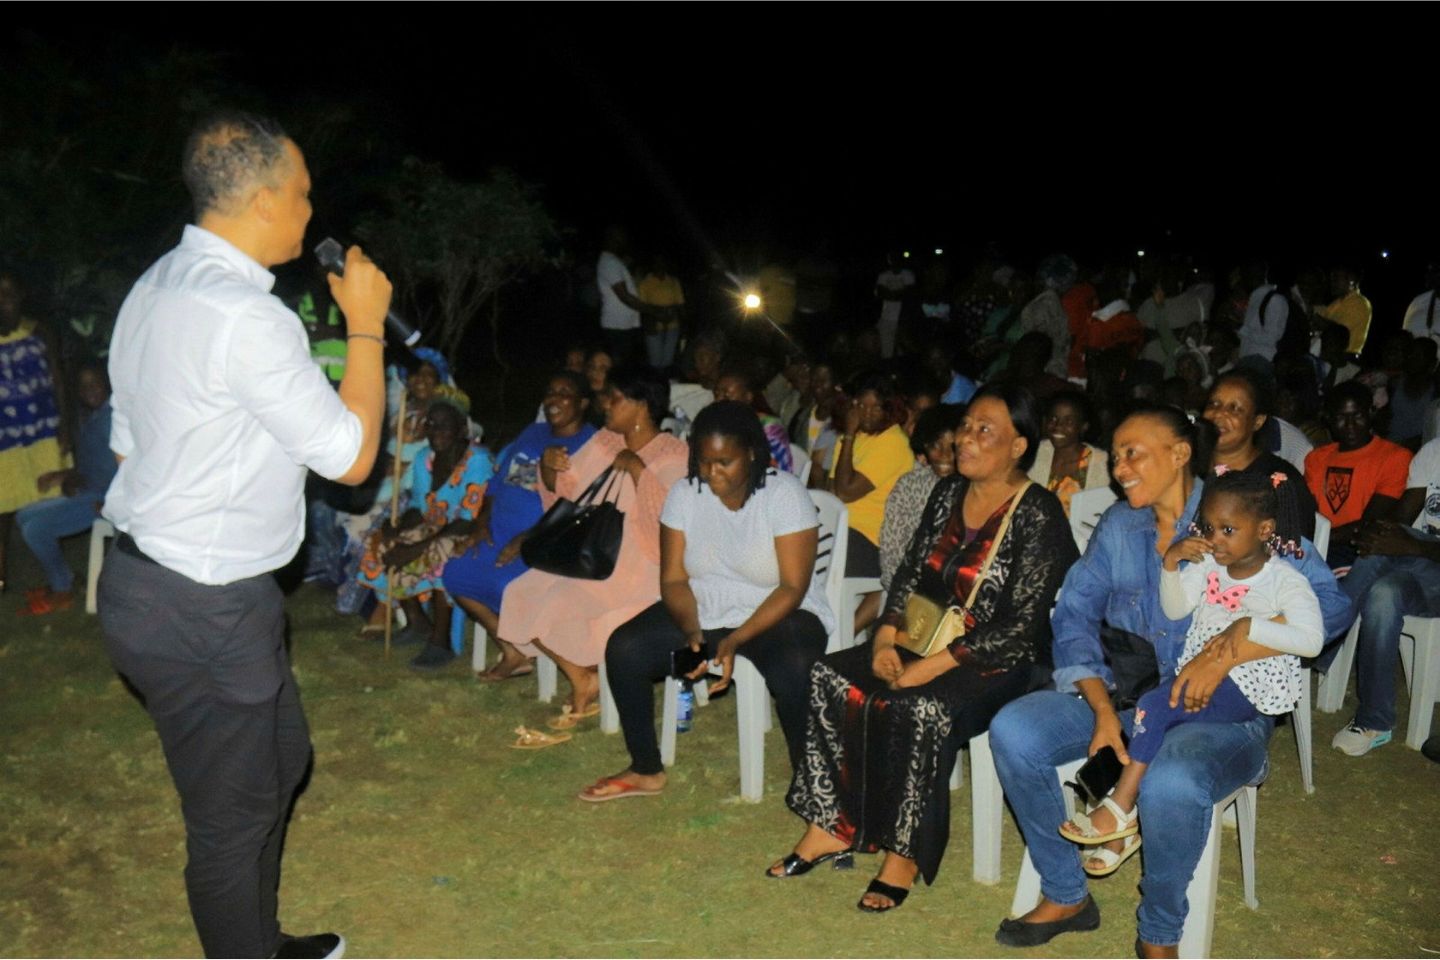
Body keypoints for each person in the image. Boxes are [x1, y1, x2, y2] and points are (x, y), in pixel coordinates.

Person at [99, 112, 391, 959]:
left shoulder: (156, 286)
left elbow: (129, 439)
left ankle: (259, 942)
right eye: (302, 194)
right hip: (203, 600)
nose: (311, 210)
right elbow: (351, 455)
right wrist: (364, 322)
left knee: (281, 757)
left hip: (165, 586)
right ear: (265, 200)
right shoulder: (245, 317)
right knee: (230, 820)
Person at [987, 405, 1350, 956]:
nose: (1119, 467)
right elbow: (1073, 616)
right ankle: (1066, 893)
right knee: (1015, 729)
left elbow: (1331, 608)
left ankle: (1158, 932)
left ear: (1180, 454)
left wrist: (1233, 648)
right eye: (1117, 455)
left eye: (1134, 452)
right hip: (1132, 696)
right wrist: (1103, 711)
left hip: (1227, 710)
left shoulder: (1239, 517)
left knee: (1172, 781)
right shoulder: (1119, 526)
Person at [771, 384, 1077, 912]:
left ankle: (904, 853)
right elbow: (911, 569)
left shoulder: (1038, 513)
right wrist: (885, 636)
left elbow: (1021, 627)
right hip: (924, 633)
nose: (966, 439)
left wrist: (929, 668)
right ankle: (829, 823)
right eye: (966, 427)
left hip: (1000, 660)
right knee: (829, 676)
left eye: (985, 430)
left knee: (920, 707)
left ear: (1019, 445)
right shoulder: (948, 492)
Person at [1058, 470, 1323, 877]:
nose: (1215, 539)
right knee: (1159, 723)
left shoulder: (1283, 581)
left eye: (1229, 529)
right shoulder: (1211, 567)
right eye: (1209, 527)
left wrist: (1247, 626)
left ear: (1265, 529)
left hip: (1249, 686)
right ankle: (1121, 835)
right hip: (1201, 680)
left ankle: (1120, 805)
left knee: (1154, 706)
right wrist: (1170, 564)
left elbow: (1311, 640)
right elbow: (1176, 609)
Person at [578, 401, 834, 801]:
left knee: (795, 670)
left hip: (778, 615)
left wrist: (734, 641)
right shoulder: (685, 494)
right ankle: (645, 769)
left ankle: (815, 784)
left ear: (751, 452)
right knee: (626, 649)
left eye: (724, 462)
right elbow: (675, 579)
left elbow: (791, 587)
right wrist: (695, 635)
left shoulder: (783, 494)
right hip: (708, 614)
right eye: (703, 461)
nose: (712, 473)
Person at [495, 369, 688, 723]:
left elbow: (670, 520)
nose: (605, 405)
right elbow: (569, 492)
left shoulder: (674, 453)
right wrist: (550, 468)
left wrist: (638, 470)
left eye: (614, 399)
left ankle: (586, 678)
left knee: (559, 601)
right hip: (594, 554)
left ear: (641, 405)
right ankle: (582, 677)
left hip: (641, 564)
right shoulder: (605, 441)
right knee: (521, 591)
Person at [442, 371, 596, 680]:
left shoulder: (591, 443)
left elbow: (579, 511)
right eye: (550, 392)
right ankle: (513, 649)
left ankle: (572, 661)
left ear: (582, 403)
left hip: (545, 543)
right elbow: (496, 486)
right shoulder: (532, 433)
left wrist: (525, 539)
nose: (553, 400)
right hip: (496, 534)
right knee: (455, 574)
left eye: (564, 393)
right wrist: (481, 525)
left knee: (508, 588)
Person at [356, 400, 494, 670]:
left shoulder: (477, 460)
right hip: (436, 526)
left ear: (461, 429)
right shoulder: (424, 459)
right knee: (382, 543)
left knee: (439, 552)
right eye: (431, 424)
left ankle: (441, 641)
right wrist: (395, 528)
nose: (436, 430)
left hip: (470, 532)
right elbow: (420, 507)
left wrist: (417, 547)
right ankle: (417, 619)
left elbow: (469, 519)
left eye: (444, 424)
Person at [1328, 435, 1440, 756]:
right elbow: (1401, 519)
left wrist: (1412, 545)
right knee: (1382, 593)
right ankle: (1375, 720)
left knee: (1395, 543)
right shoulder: (1434, 452)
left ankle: (1323, 635)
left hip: (1428, 561)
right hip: (1423, 571)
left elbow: (1409, 538)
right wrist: (1383, 536)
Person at [13, 363, 117, 615]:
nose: (89, 390)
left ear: (107, 383)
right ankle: (67, 578)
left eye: (94, 383)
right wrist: (62, 475)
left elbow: (131, 467)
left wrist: (113, 505)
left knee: (36, 529)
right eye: (83, 386)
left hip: (104, 499)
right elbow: (92, 464)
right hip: (89, 490)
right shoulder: (91, 416)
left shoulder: (115, 417)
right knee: (23, 515)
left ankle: (63, 589)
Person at [828, 373, 914, 633]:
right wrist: (849, 437)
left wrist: (849, 435)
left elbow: (845, 492)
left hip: (872, 542)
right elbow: (831, 489)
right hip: (843, 531)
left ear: (888, 408)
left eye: (875, 406)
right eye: (861, 405)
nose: (867, 413)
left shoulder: (893, 442)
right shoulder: (852, 438)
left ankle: (840, 635)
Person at [0, 271, 67, 594]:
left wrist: (66, 427)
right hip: (4, 439)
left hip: (42, 431)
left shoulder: (39, 331)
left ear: (21, 296)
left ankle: (54, 574)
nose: (3, 301)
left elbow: (59, 381)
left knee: (48, 501)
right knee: (2, 508)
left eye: (9, 293)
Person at [1303, 381, 1412, 570]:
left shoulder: (1395, 457)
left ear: (1371, 413)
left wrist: (1319, 537)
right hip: (1318, 546)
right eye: (1341, 417)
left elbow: (1370, 522)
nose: (1350, 425)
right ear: (1328, 418)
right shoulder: (1317, 458)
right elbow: (1308, 512)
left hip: (1359, 550)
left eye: (1357, 415)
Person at [1203, 368, 1317, 539]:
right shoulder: (1190, 465)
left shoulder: (1278, 483)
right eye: (1214, 404)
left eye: (1235, 409)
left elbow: (1293, 556)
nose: (1219, 414)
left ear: (1257, 421)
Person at [878, 404, 961, 592]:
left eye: (952, 448)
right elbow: (891, 548)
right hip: (904, 590)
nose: (944, 456)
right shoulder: (910, 485)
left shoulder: (973, 490)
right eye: (935, 445)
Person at [1026, 391, 1110, 517]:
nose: (1058, 426)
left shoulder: (1101, 464)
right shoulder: (1036, 453)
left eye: (1068, 421)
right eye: (1053, 419)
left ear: (1083, 427)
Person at [714, 365, 794, 473]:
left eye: (726, 396)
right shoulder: (718, 424)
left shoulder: (769, 428)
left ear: (748, 397)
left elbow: (772, 472)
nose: (718, 400)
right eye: (717, 394)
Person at [636, 254, 685, 372]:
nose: (660, 265)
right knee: (655, 362)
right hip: (653, 325)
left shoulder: (673, 281)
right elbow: (641, 306)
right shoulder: (645, 282)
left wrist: (684, 325)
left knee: (668, 361)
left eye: (662, 262)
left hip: (672, 325)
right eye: (657, 262)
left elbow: (680, 304)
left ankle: (665, 385)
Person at [1315, 266, 1373, 356]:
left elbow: (1339, 334)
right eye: (1331, 279)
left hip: (1345, 358)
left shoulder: (1359, 303)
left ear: (1351, 280)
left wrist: (1317, 320)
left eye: (1336, 278)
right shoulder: (1337, 302)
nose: (1332, 283)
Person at [874, 252, 915, 359]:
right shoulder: (883, 275)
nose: (895, 260)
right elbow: (881, 293)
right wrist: (900, 293)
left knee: (903, 351)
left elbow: (909, 294)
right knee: (886, 352)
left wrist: (891, 294)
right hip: (886, 319)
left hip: (903, 319)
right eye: (893, 258)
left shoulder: (908, 274)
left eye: (897, 258)